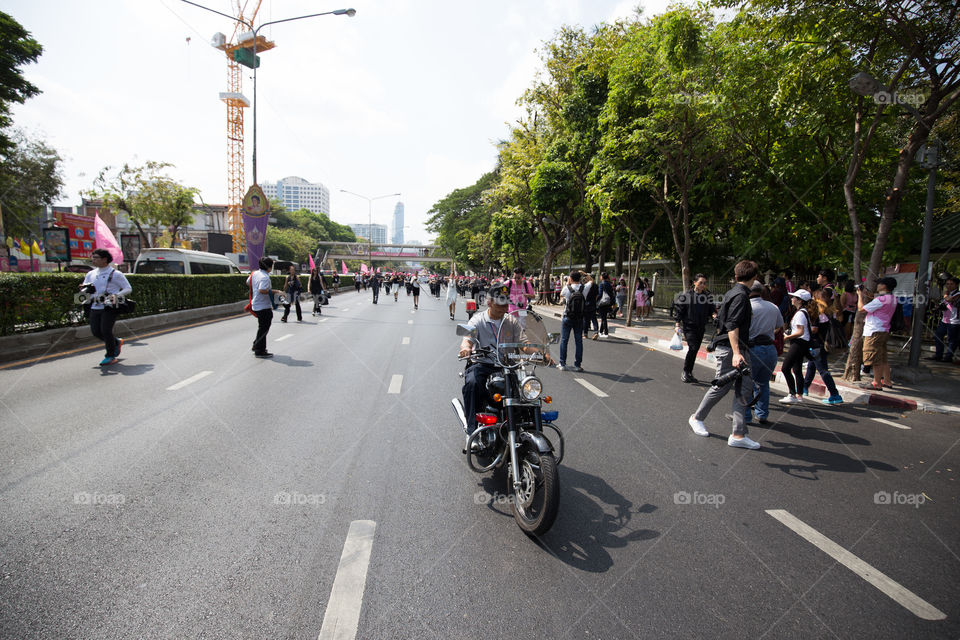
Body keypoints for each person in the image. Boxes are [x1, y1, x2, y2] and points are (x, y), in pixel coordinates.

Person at [688, 260, 761, 450]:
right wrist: (737, 353)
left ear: (737, 276)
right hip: (731, 349)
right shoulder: (740, 297)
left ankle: (738, 434)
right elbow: (732, 325)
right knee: (721, 387)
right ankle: (697, 418)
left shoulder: (734, 293)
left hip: (738, 349)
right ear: (754, 277)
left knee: (744, 391)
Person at [457, 283, 537, 448]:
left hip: (507, 366)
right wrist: (466, 348)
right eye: (500, 303)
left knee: (527, 389)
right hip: (482, 364)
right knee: (472, 384)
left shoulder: (511, 321)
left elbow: (523, 343)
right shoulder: (477, 320)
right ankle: (472, 433)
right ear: (489, 302)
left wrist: (538, 352)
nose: (504, 307)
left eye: (506, 303)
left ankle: (527, 429)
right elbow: (467, 339)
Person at [80, 248, 132, 366]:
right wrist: (83, 290)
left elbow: (128, 288)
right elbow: (85, 289)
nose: (93, 260)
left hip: (110, 306)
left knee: (106, 330)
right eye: (92, 257)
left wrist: (116, 295)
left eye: (96, 257)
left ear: (104, 259)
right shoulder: (91, 274)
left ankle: (110, 355)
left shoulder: (115, 274)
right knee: (96, 331)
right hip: (95, 305)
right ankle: (116, 342)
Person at [745, 281, 781, 425]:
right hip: (770, 349)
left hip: (753, 349)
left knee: (746, 384)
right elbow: (779, 325)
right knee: (763, 384)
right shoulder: (773, 307)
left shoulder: (747, 307)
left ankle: (745, 416)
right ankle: (762, 414)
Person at [802, 289, 844, 404]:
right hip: (825, 343)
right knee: (811, 365)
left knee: (823, 370)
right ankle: (804, 388)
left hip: (817, 344)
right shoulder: (830, 312)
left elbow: (815, 329)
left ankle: (835, 394)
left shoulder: (818, 313)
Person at [859, 277, 898, 390]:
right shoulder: (892, 298)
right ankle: (887, 381)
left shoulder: (880, 300)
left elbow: (861, 309)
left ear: (884, 286)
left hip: (874, 330)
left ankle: (876, 383)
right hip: (884, 330)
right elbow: (876, 298)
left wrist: (860, 296)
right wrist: (866, 293)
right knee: (883, 357)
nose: (877, 285)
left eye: (879, 284)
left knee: (874, 357)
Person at [674, 274, 714, 383]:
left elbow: (712, 310)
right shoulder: (686, 296)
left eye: (704, 283)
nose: (703, 285)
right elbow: (679, 311)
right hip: (689, 327)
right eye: (700, 282)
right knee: (693, 347)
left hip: (701, 327)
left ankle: (689, 372)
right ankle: (686, 371)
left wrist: (715, 315)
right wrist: (677, 324)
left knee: (695, 349)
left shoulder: (707, 296)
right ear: (695, 282)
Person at [779, 289, 813, 404]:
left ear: (800, 300)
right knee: (797, 369)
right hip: (802, 343)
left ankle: (792, 394)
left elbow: (800, 332)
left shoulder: (800, 314)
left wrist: (786, 337)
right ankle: (799, 395)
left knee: (785, 368)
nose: (792, 299)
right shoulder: (803, 312)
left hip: (799, 343)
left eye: (794, 297)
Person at [248, 257, 283, 358]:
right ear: (268, 266)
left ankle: (256, 345)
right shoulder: (264, 277)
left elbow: (248, 282)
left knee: (262, 327)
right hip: (263, 306)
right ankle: (260, 350)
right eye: (271, 265)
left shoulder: (254, 274)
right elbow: (262, 290)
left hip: (256, 304)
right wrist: (276, 291)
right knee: (264, 328)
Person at [556, 271, 585, 372]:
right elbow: (591, 281)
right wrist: (584, 274)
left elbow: (561, 295)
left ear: (571, 278)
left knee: (564, 340)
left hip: (567, 317)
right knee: (579, 341)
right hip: (579, 318)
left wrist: (568, 283)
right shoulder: (584, 288)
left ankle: (562, 363)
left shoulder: (566, 288)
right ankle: (577, 365)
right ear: (580, 278)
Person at [932, 276, 959, 363]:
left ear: (956, 285)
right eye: (947, 284)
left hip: (954, 320)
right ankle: (938, 354)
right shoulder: (948, 293)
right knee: (938, 336)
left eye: (951, 284)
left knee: (952, 340)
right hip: (945, 319)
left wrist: (945, 294)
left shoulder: (957, 294)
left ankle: (948, 357)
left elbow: (949, 299)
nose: (949, 286)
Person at [596, 271, 616, 338]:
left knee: (603, 318)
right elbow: (612, 294)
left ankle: (606, 333)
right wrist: (613, 303)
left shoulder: (602, 284)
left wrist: (596, 301)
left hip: (602, 302)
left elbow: (600, 294)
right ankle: (601, 331)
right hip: (608, 302)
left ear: (602, 277)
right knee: (603, 317)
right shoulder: (609, 284)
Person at [582, 273, 599, 339]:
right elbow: (597, 295)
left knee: (586, 319)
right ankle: (596, 332)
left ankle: (585, 334)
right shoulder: (596, 285)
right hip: (593, 303)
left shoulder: (586, 286)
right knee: (594, 318)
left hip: (586, 304)